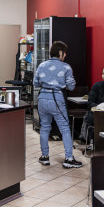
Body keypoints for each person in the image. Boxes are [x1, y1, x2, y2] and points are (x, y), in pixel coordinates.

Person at [33, 41, 82, 169]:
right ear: (61, 53)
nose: (65, 56)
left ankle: (44, 157)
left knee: (44, 128)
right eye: (64, 53)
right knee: (65, 128)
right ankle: (69, 159)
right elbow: (71, 86)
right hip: (56, 98)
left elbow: (36, 83)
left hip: (42, 98)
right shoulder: (66, 67)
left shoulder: (42, 65)